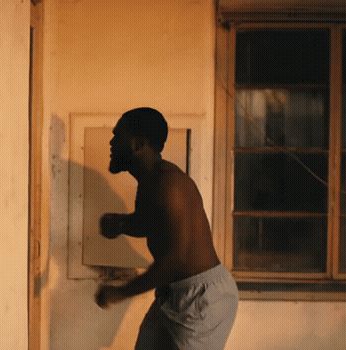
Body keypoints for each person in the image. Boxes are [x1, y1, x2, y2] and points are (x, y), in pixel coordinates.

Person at [94, 107, 238, 349]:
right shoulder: (150, 180)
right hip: (174, 292)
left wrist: (120, 292)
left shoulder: (169, 185)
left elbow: (173, 261)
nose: (111, 142)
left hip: (201, 298)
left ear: (138, 144)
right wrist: (122, 223)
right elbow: (152, 223)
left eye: (117, 135)